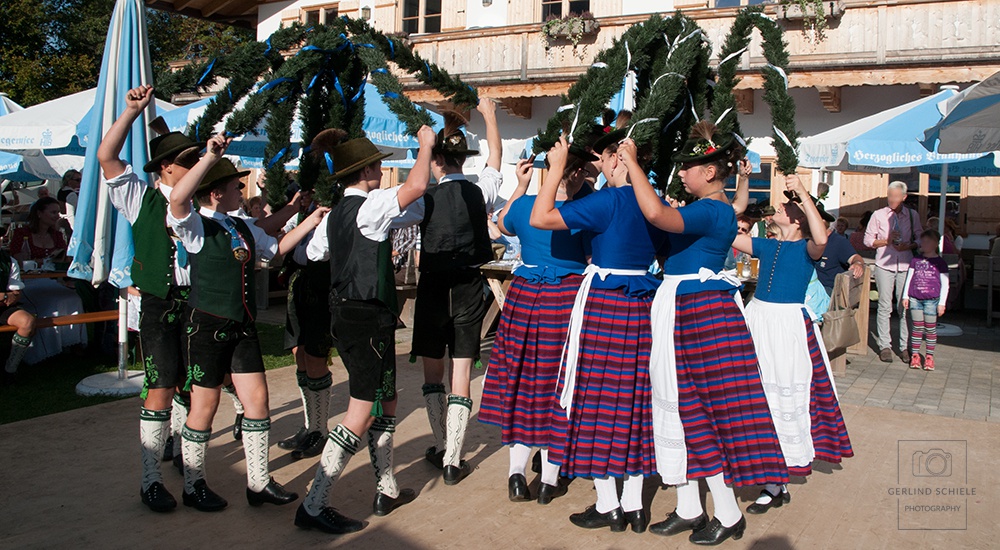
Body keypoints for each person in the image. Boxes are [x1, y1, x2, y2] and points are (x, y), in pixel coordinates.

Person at [624, 122, 789, 545]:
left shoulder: (714, 209)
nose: (682, 173)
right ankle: (690, 506)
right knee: (681, 407)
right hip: (684, 304)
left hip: (697, 310)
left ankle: (729, 513)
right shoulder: (713, 209)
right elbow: (665, 235)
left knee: (701, 411)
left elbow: (658, 214)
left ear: (710, 172)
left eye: (688, 168)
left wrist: (634, 164)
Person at [167, 134, 325, 512]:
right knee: (204, 407)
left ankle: (258, 483)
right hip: (206, 325)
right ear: (216, 193)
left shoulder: (238, 225)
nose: (241, 189)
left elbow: (274, 251)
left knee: (257, 401)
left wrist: (311, 219)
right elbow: (177, 199)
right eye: (234, 185)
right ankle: (193, 484)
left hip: (241, 325)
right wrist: (207, 158)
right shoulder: (194, 225)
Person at [296, 125, 435, 534]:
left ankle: (386, 487)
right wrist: (426, 146)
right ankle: (315, 502)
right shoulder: (370, 204)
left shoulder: (337, 213)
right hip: (365, 316)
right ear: (368, 170)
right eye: (378, 164)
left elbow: (312, 255)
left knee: (386, 399)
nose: (381, 169)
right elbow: (418, 184)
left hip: (352, 313)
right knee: (360, 411)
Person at [530, 130, 668, 535]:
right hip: (643, 301)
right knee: (637, 400)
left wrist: (554, 170)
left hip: (606, 303)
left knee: (594, 399)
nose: (601, 165)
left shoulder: (607, 199)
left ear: (617, 161)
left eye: (604, 159)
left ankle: (609, 505)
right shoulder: (653, 204)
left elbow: (541, 217)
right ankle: (635, 505)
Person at [96, 84, 206, 513]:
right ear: (165, 168)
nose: (194, 165)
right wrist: (130, 113)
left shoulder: (198, 204)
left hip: (194, 302)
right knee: (160, 387)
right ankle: (150, 479)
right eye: (186, 161)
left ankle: (183, 457)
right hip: (160, 303)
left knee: (191, 386)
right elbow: (107, 157)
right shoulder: (138, 196)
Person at [732, 174, 853, 516]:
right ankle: (767, 472)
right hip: (758, 319)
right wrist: (741, 183)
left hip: (786, 327)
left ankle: (775, 481)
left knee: (780, 393)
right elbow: (727, 231)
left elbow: (822, 236)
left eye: (786, 207)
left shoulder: (807, 248)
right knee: (756, 395)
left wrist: (802, 192)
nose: (779, 208)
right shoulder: (767, 245)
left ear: (797, 218)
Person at [479, 149, 592, 506]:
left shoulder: (525, 205)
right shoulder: (578, 212)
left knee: (522, 379)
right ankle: (549, 479)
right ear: (571, 174)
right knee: (560, 383)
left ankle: (516, 473)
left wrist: (520, 184)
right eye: (584, 173)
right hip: (565, 298)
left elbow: (501, 224)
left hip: (525, 296)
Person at [412, 99, 502, 485]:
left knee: (434, 369)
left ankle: (440, 444)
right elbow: (496, 158)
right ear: (464, 158)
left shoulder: (422, 199)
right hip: (468, 285)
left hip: (433, 287)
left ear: (436, 162)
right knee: (462, 369)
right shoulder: (480, 191)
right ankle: (453, 459)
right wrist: (490, 115)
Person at [276, 189, 335, 460]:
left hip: (322, 286)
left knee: (314, 356)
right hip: (299, 282)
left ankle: (320, 430)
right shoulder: (303, 211)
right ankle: (309, 424)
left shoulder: (334, 212)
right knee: (298, 352)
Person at [864, 181, 922, 363]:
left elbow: (920, 238)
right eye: (890, 197)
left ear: (904, 197)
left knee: (904, 307)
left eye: (896, 197)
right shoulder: (878, 215)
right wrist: (886, 241)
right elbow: (867, 240)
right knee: (884, 305)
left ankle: (904, 346)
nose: (892, 200)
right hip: (884, 264)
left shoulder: (912, 215)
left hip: (905, 264)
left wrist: (910, 245)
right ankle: (885, 346)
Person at [903, 229, 949, 371]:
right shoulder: (915, 260)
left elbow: (945, 283)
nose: (925, 244)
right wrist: (906, 295)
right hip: (916, 298)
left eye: (928, 241)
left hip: (932, 299)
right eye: (923, 241)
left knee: (930, 329)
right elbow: (909, 278)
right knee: (917, 327)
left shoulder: (940, 263)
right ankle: (915, 354)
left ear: (935, 244)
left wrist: (942, 303)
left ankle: (929, 356)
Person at [0, 249, 36, 385]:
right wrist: (5, 295)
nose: (1, 238)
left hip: (3, 307)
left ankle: (10, 369)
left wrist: (4, 296)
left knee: (27, 322)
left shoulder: (8, 261)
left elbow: (15, 294)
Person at [814, 212, 865, 296]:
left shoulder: (839, 242)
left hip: (829, 290)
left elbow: (855, 257)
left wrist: (857, 264)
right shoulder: (809, 241)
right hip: (811, 287)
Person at [12, 197, 68, 263]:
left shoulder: (57, 236)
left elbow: (63, 260)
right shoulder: (21, 234)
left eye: (58, 213)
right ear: (39, 213)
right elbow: (19, 261)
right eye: (53, 212)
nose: (57, 216)